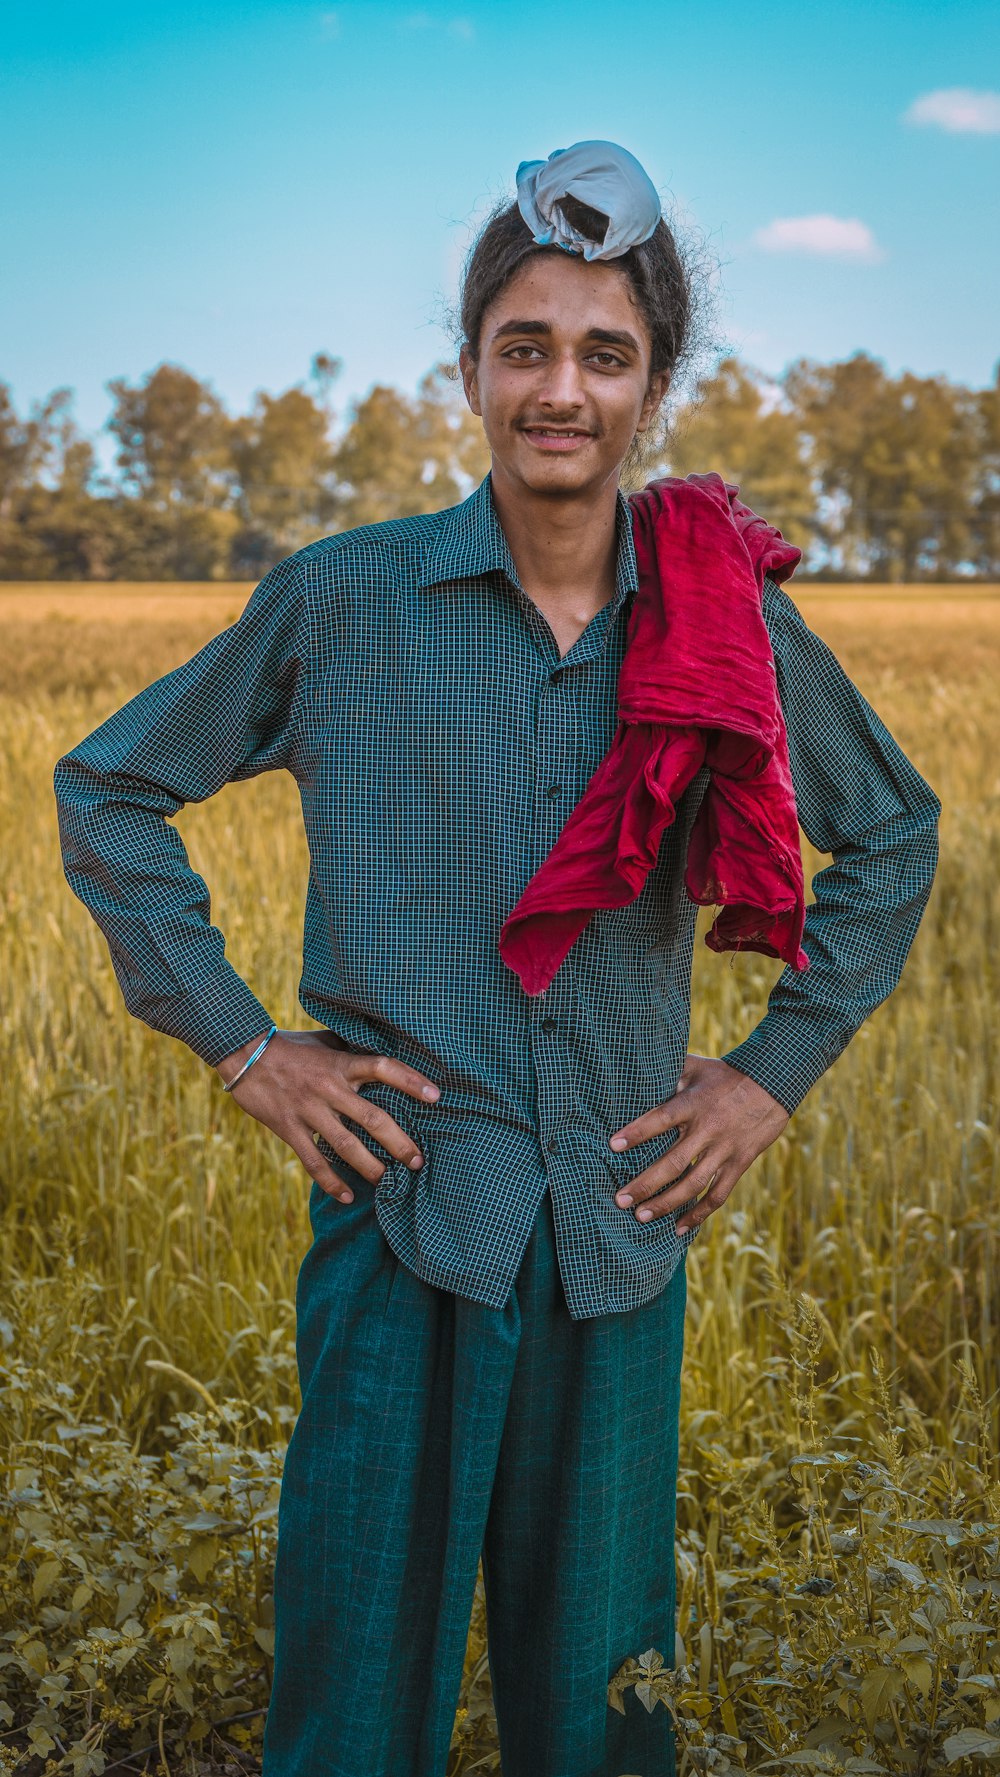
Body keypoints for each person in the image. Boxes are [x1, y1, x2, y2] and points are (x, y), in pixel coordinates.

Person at [54, 140, 940, 1777]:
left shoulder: (720, 624)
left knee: (604, 1711)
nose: (561, 388)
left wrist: (767, 1077)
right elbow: (108, 788)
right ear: (469, 366)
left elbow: (895, 839)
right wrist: (252, 1047)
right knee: (350, 1699)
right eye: (525, 345)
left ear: (655, 384)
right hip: (405, 1211)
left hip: (617, 1225)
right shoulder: (343, 602)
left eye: (604, 354)